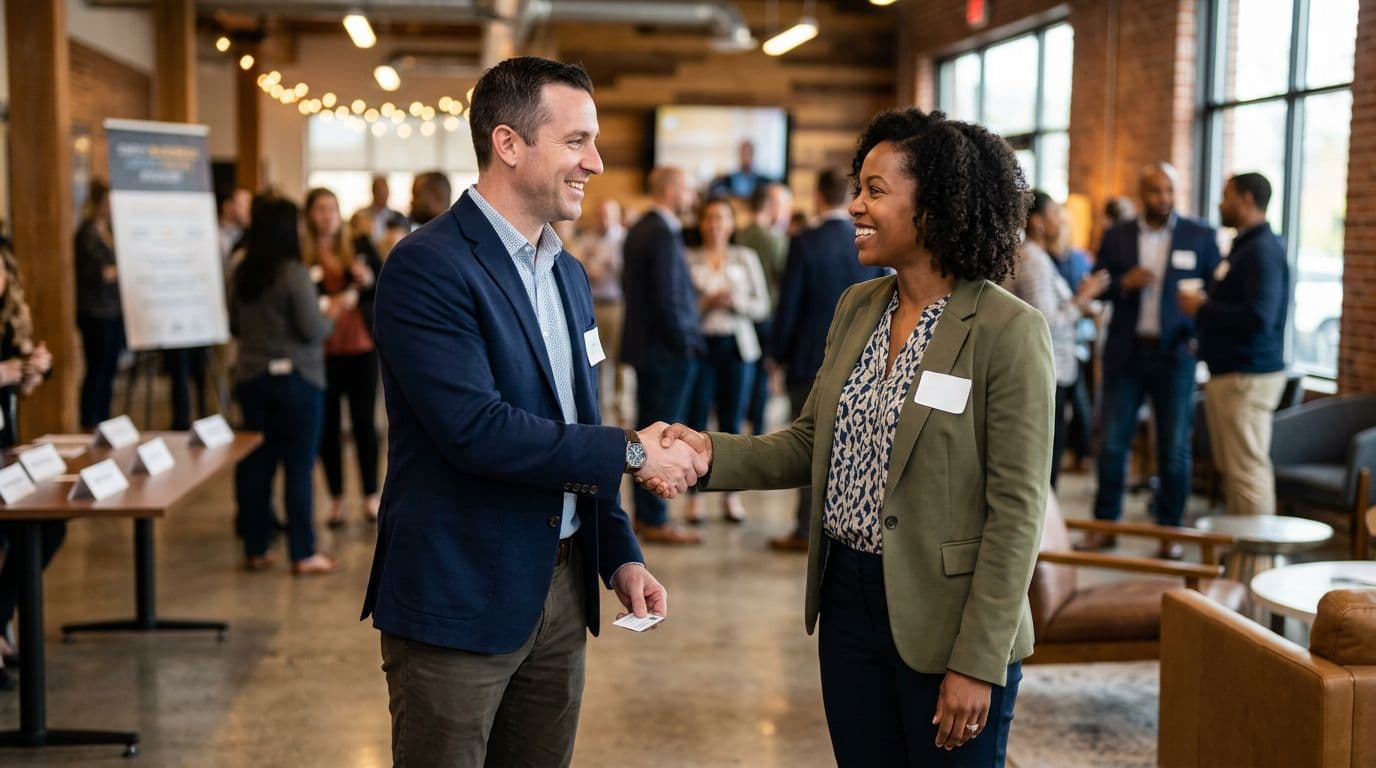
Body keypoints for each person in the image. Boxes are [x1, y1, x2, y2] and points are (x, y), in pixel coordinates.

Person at [656, 107, 1052, 767]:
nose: (854, 206)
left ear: (936, 206)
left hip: (948, 615)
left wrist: (978, 661)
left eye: (875, 190)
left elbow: (1017, 513)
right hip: (848, 600)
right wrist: (707, 453)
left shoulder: (1007, 331)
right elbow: (814, 442)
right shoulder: (858, 307)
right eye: (856, 188)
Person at [360, 57, 697, 768]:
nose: (596, 162)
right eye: (576, 142)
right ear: (508, 144)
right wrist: (633, 451)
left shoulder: (568, 274)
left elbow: (578, 418)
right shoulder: (427, 266)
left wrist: (618, 557)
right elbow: (476, 431)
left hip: (563, 590)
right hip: (462, 596)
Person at [1080, 163, 1220, 558]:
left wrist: (1198, 341)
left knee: (1174, 447)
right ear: (1142, 194)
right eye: (1156, 192)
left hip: (1176, 355)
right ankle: (1103, 526)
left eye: (1169, 191)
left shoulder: (1200, 235)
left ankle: (1170, 531)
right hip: (1126, 352)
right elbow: (1098, 286)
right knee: (1112, 443)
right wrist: (1124, 283)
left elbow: (1216, 293)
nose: (1163, 199)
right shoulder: (1118, 236)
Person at [766, 168, 888, 552]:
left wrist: (777, 354)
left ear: (818, 196)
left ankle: (806, 528)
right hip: (866, 358)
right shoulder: (872, 241)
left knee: (806, 441)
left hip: (809, 357)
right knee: (853, 443)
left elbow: (790, 305)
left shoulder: (804, 243)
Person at [230, 195, 341, 576]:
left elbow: (233, 325)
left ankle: (256, 548)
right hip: (299, 380)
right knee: (298, 467)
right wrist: (334, 312)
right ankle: (303, 552)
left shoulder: (242, 270)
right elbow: (314, 329)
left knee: (256, 466)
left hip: (251, 378)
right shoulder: (293, 273)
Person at [1178, 172, 1288, 516]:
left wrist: (1203, 307)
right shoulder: (1244, 246)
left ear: (1247, 200)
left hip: (1247, 377)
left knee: (1247, 473)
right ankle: (1243, 556)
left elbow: (1259, 317)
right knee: (1235, 473)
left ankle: (1259, 560)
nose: (1220, 204)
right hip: (1231, 373)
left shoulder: (1263, 251)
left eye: (1226, 196)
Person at [621, 166, 707, 545]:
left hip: (649, 346)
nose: (692, 197)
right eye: (688, 189)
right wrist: (686, 340)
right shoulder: (659, 231)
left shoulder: (643, 227)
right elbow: (668, 296)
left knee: (649, 428)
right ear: (672, 190)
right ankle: (654, 518)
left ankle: (646, 514)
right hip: (666, 349)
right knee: (663, 435)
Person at [1003, 191, 1109, 489]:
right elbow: (1045, 322)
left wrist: (1081, 304)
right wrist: (1082, 299)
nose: (1062, 223)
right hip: (1042, 368)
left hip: (1054, 367)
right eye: (1056, 216)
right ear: (1037, 222)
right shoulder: (1033, 260)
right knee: (1046, 455)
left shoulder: (1037, 257)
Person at [684, 197, 770, 524]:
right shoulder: (687, 258)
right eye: (709, 218)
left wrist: (737, 303)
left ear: (732, 224)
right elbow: (681, 307)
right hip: (702, 347)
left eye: (722, 218)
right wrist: (706, 303)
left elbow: (762, 305)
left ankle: (731, 498)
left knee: (733, 425)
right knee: (697, 422)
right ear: (701, 223)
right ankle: (695, 499)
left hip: (738, 348)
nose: (716, 225)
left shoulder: (746, 258)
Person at [302, 186, 384, 526]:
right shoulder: (301, 253)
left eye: (332, 209)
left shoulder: (359, 245)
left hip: (361, 346)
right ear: (310, 215)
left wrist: (367, 281)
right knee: (329, 426)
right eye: (320, 209)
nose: (327, 216)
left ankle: (370, 494)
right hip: (321, 350)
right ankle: (335, 499)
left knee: (365, 422)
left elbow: (384, 283)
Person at [0, 241, 58, 693]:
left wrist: (33, 370)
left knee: (47, 522)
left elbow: (21, 389)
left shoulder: (8, 321)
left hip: (4, 450)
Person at [735, 182, 792, 435]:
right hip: (767, 316)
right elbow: (784, 277)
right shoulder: (773, 239)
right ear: (769, 205)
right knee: (761, 379)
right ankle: (757, 431)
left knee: (741, 379)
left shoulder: (739, 235)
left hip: (741, 315)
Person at [74, 177, 124, 430]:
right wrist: (121, 270)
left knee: (110, 368)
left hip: (113, 310)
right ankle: (90, 419)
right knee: (97, 367)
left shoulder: (110, 232)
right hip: (94, 311)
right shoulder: (87, 233)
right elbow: (100, 272)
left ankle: (104, 417)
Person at [573, 198, 627, 419]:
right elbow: (579, 265)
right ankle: (602, 407)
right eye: (601, 215)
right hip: (593, 305)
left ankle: (621, 405)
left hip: (616, 305)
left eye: (608, 215)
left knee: (620, 358)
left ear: (615, 217)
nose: (604, 219)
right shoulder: (587, 239)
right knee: (597, 357)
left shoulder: (624, 239)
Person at [708, 139, 774, 200]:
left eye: (748, 153)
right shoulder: (728, 179)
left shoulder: (762, 181)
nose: (745, 157)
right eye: (743, 153)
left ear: (753, 155)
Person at [358, 174, 405, 246]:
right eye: (379, 192)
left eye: (385, 192)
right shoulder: (362, 215)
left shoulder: (398, 217)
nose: (383, 195)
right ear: (373, 192)